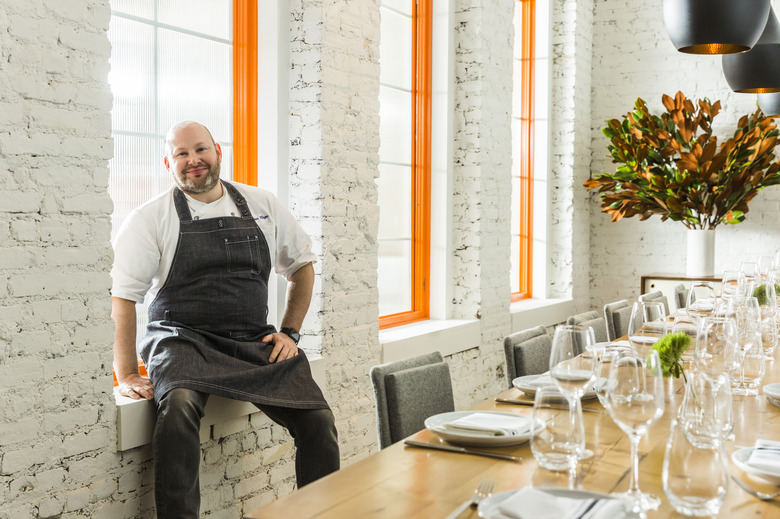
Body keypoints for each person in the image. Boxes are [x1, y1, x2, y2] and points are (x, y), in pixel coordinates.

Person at [110, 121, 339, 518]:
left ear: (218, 151)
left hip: (252, 340)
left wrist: (289, 332)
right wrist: (128, 371)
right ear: (169, 162)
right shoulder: (150, 219)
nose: (193, 160)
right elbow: (124, 297)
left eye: (200, 150)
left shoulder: (262, 204)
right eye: (181, 154)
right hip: (181, 340)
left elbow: (302, 266)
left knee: (318, 420)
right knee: (178, 408)